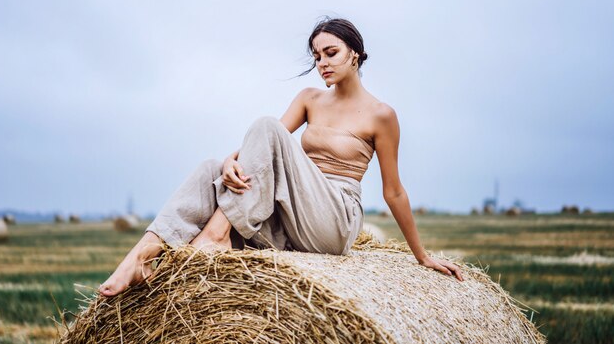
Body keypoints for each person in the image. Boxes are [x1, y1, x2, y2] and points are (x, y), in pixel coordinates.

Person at [99, 18, 463, 297]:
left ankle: (215, 235)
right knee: (211, 167)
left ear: (355, 53)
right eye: (317, 56)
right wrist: (230, 162)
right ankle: (142, 256)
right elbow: (262, 148)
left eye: (331, 53)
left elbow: (394, 191)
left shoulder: (381, 115)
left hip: (333, 218)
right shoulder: (309, 98)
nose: (322, 63)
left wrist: (422, 257)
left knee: (267, 125)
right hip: (291, 216)